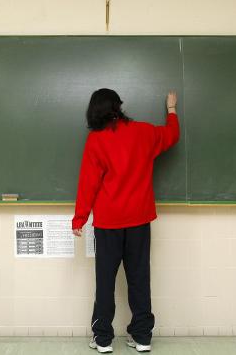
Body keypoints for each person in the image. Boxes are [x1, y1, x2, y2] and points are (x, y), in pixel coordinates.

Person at [72, 88, 179, 353]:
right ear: (119, 106)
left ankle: (103, 340)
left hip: (108, 223)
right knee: (139, 279)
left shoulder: (96, 140)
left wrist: (79, 218)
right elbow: (172, 135)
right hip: (139, 220)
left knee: (105, 282)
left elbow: (88, 183)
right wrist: (172, 110)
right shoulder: (144, 132)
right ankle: (142, 337)